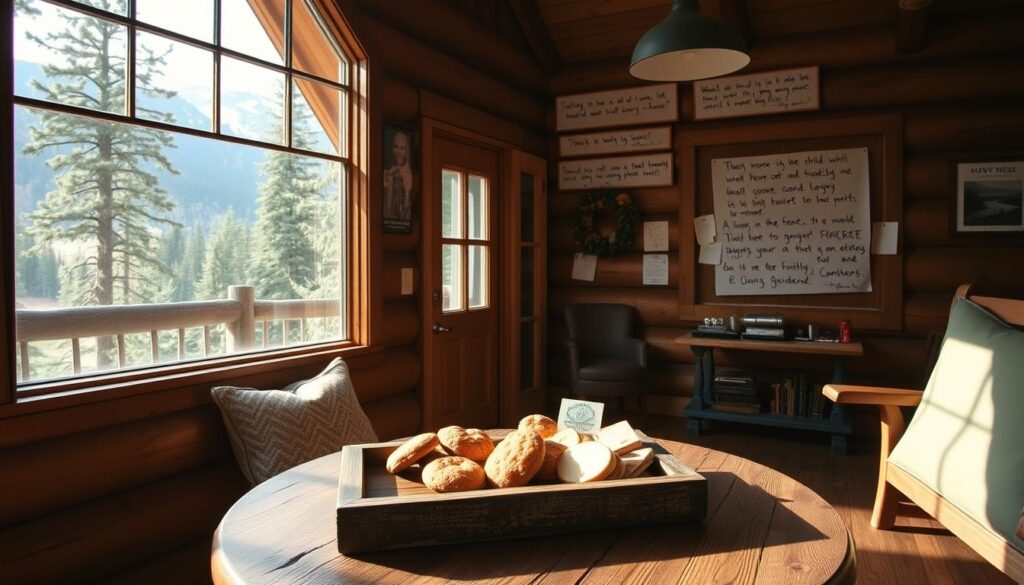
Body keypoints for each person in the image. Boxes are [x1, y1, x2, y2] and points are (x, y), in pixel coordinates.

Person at [384, 130, 412, 226]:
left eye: (402, 148)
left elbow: (407, 204)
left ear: (406, 151)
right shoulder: (388, 171)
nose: (399, 152)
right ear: (392, 148)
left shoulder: (408, 173)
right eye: (396, 147)